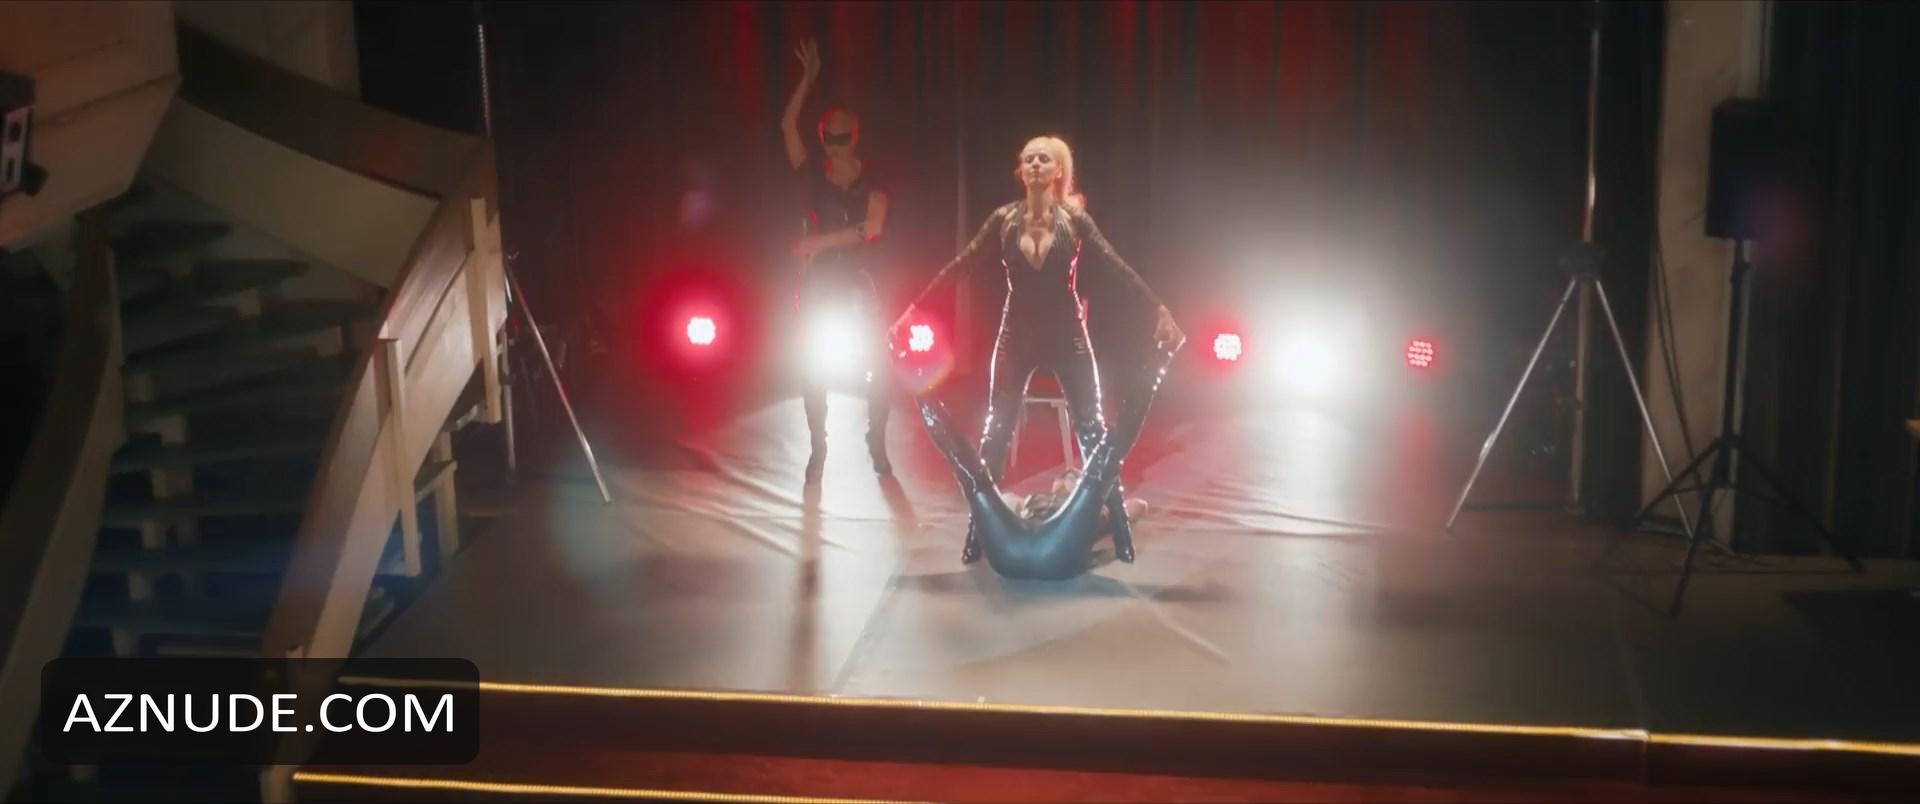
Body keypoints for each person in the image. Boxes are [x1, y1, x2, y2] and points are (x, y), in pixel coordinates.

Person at [892, 135, 1182, 564]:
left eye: (1043, 159)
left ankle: (1121, 532)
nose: (1034, 165)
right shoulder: (1003, 219)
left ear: (1058, 170)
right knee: (995, 432)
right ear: (1021, 170)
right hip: (1018, 332)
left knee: (1093, 432)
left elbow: (1116, 266)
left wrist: (1159, 309)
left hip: (1066, 332)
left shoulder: (1074, 220)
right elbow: (962, 265)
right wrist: (913, 310)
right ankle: (975, 536)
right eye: (1028, 159)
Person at [781, 38, 892, 479]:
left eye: (842, 138)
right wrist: (806, 82)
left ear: (855, 137)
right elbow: (787, 126)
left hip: (859, 281)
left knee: (880, 366)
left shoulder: (875, 175)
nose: (834, 146)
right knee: (813, 366)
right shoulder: (814, 175)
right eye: (828, 138)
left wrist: (819, 243)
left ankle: (876, 440)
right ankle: (818, 446)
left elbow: (873, 228)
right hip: (821, 284)